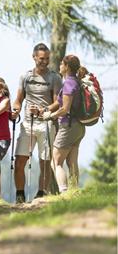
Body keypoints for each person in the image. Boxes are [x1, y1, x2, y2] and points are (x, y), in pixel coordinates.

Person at [11, 43, 62, 203]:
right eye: (41, 58)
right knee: (20, 160)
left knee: (45, 161)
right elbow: (19, 100)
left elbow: (57, 103)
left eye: (47, 59)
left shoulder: (55, 77)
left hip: (46, 123)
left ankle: (41, 194)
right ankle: (20, 195)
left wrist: (43, 110)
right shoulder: (25, 77)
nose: (44, 61)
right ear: (34, 57)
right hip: (27, 124)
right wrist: (15, 110)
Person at [42, 55, 85, 192]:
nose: (59, 66)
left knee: (56, 162)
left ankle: (65, 192)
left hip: (68, 126)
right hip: (79, 127)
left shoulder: (68, 83)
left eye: (61, 64)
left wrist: (50, 116)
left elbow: (65, 109)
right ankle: (74, 191)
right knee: (72, 162)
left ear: (67, 67)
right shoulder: (77, 82)